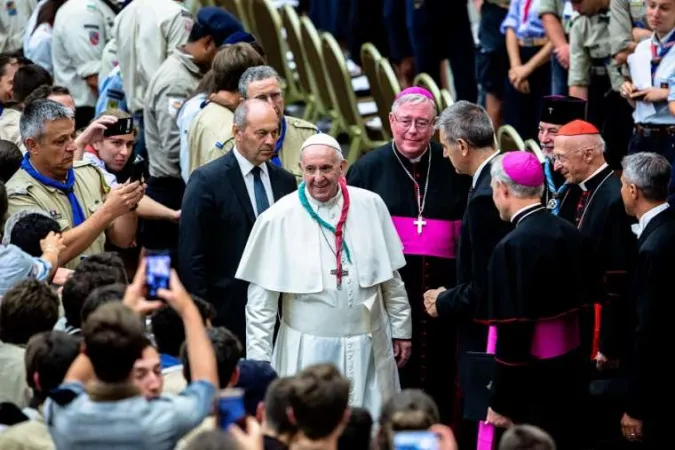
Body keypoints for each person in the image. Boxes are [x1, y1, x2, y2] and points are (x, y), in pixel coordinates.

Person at [236, 133, 412, 419]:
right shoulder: (278, 218)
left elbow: (390, 278)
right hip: (308, 351)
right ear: (300, 169)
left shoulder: (371, 205)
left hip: (369, 344)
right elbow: (260, 306)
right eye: (310, 169)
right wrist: (260, 364)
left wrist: (402, 329)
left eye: (326, 168)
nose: (318, 177)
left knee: (370, 425)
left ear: (342, 167)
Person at [347, 87, 470, 424]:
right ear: (390, 121)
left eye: (422, 123)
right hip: (387, 303)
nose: (412, 131)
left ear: (435, 128)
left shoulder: (453, 168)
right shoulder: (367, 170)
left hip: (442, 301)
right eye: (405, 122)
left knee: (442, 382)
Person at [480, 151, 592, 448]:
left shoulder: (513, 245)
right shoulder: (569, 231)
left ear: (503, 188)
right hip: (571, 370)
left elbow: (513, 330)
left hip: (530, 380)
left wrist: (501, 400)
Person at [422, 101, 512, 447]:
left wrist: (444, 300)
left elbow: (486, 283)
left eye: (445, 146)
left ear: (462, 146)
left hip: (487, 334)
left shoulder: (485, 196)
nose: (444, 155)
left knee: (482, 426)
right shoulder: (500, 175)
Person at [179, 99, 297, 346]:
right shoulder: (206, 181)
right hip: (227, 312)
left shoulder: (284, 182)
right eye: (261, 133)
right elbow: (192, 257)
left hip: (280, 311)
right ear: (237, 132)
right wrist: (203, 315)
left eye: (274, 133)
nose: (270, 141)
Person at [552, 119, 637, 446]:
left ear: (588, 154)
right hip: (579, 316)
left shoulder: (614, 198)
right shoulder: (576, 188)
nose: (557, 165)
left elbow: (617, 280)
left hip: (600, 327)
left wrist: (608, 344)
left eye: (562, 157)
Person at [143, 6, 241, 257]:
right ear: (209, 43)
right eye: (223, 51)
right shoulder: (176, 81)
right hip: (169, 192)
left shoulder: (193, 73)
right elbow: (174, 145)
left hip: (181, 186)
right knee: (163, 273)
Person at [5, 99, 144, 269]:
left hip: (98, 287)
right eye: (60, 141)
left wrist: (130, 204)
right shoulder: (17, 195)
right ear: (32, 145)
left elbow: (122, 239)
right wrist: (107, 211)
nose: (72, 146)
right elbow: (46, 259)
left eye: (72, 136)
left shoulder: (88, 172)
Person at [619, 152, 674, 445]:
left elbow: (648, 331)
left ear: (633, 191)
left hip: (657, 391)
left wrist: (636, 407)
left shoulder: (653, 247)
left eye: (622, 184)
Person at [208, 65, 319, 180]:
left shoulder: (308, 136)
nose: (271, 104)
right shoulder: (228, 147)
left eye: (275, 95)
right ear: (243, 103)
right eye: (261, 98)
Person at [620, 0, 675, 203]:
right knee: (636, 199)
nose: (655, 13)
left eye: (665, 8)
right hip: (641, 135)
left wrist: (665, 93)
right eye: (651, 6)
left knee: (668, 202)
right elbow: (637, 106)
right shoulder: (642, 50)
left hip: (670, 137)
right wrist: (629, 92)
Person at [51, 0, 119, 129]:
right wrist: (116, 115)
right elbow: (93, 77)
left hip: (97, 107)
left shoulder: (98, 6)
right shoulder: (82, 10)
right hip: (86, 110)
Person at [538, 95, 587, 213]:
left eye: (552, 131)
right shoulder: (536, 172)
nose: (544, 139)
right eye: (541, 130)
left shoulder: (587, 177)